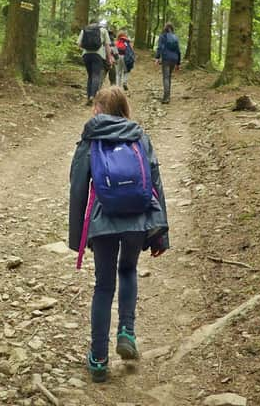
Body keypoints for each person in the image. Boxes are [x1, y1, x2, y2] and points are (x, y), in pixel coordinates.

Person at [68, 87, 170, 383]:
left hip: (103, 221)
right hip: (138, 219)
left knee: (103, 286)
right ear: (125, 108)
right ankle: (126, 330)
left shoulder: (89, 139)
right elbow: (156, 183)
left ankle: (98, 359)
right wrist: (160, 233)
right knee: (128, 269)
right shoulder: (139, 136)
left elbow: (77, 188)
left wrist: (78, 238)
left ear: (97, 110)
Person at [78, 20, 113, 105]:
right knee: (96, 75)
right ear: (97, 23)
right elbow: (107, 46)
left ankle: (88, 97)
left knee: (90, 76)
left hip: (86, 55)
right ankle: (93, 96)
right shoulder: (103, 30)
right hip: (98, 55)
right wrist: (109, 58)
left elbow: (79, 44)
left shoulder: (84, 30)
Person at [154, 22, 181, 104]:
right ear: (172, 29)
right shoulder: (175, 37)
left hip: (166, 58)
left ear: (165, 28)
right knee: (168, 77)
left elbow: (160, 47)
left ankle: (166, 98)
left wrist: (157, 58)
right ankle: (168, 96)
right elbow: (179, 51)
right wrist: (178, 63)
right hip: (174, 59)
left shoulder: (163, 36)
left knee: (166, 77)